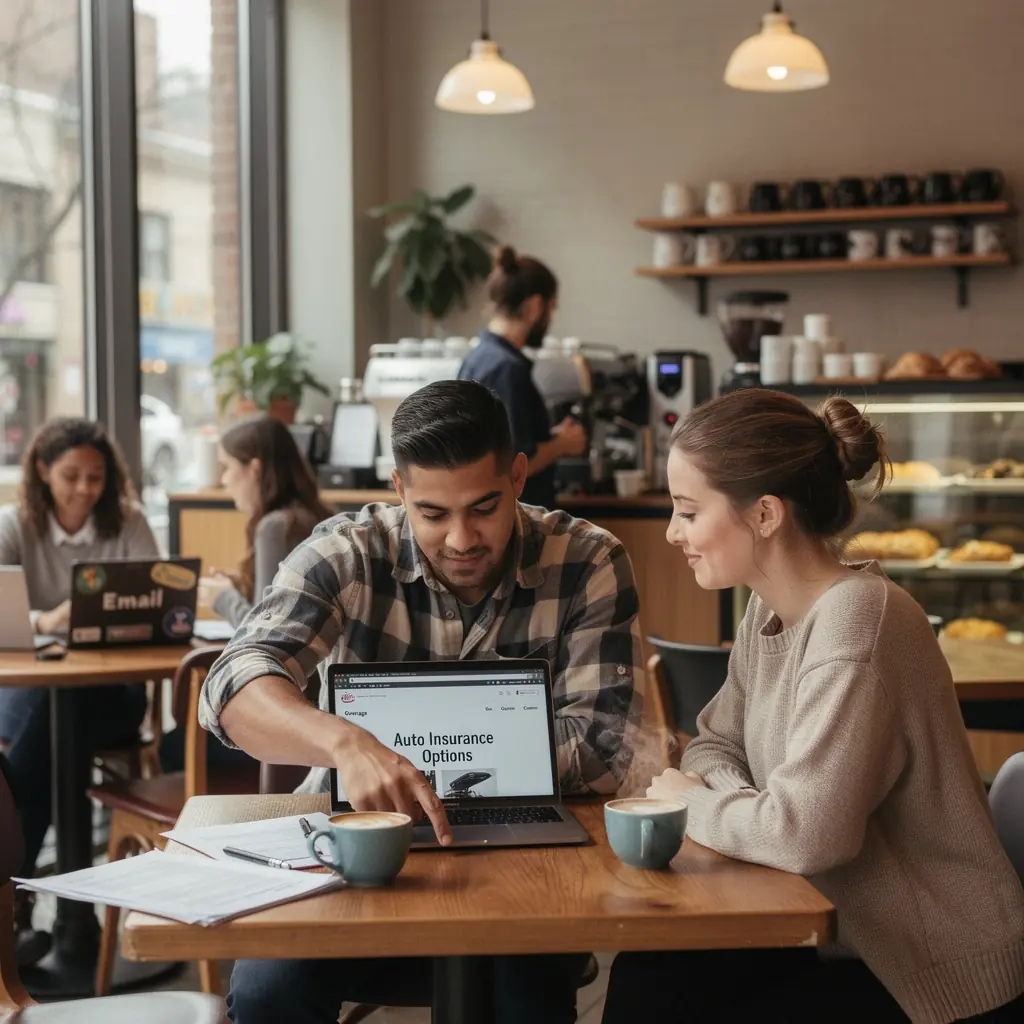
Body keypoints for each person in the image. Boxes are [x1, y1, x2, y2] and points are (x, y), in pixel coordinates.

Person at [198, 379, 643, 1024]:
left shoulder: (588, 560)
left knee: (528, 997)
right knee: (269, 993)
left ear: (519, 476)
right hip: (352, 850)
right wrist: (347, 744)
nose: (461, 538)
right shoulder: (344, 554)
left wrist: (412, 761)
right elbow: (233, 684)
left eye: (484, 507)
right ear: (398, 488)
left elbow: (603, 750)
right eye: (433, 513)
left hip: (525, 862)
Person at [601, 388, 1024, 1024]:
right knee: (652, 974)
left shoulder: (857, 622)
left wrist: (692, 802)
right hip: (844, 938)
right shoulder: (767, 612)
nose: (671, 532)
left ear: (765, 514)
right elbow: (715, 741)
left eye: (688, 512)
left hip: (931, 973)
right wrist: (747, 807)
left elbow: (805, 834)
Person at [0, 418, 160, 966]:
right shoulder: (15, 526)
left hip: (112, 696)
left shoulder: (129, 523)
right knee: (45, 723)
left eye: (95, 477)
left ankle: (12, 906)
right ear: (43, 471)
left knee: (33, 746)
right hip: (30, 695)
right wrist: (51, 619)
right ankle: (71, 925)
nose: (84, 489)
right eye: (71, 476)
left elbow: (160, 603)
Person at [160, 415, 333, 772]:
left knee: (172, 747)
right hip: (319, 714)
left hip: (288, 719)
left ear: (254, 469)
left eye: (227, 468)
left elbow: (265, 641)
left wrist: (224, 598)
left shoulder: (275, 526)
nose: (223, 480)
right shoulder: (315, 517)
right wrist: (240, 587)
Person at [458, 245, 587, 509]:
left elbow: (497, 441)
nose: (550, 319)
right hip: (518, 517)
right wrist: (563, 444)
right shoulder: (507, 368)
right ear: (535, 307)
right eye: (551, 308)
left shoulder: (478, 357)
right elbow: (511, 464)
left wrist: (549, 436)